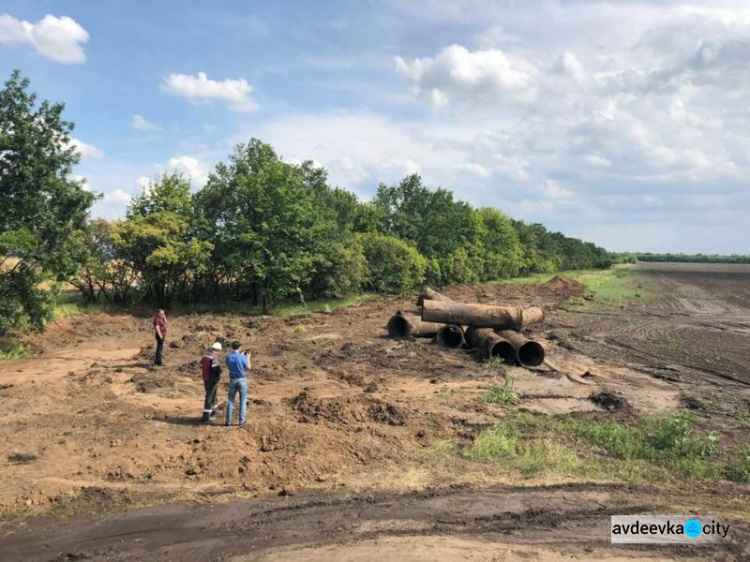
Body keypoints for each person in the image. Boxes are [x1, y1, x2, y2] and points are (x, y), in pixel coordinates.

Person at [225, 340, 251, 426]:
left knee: (230, 400)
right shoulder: (242, 357)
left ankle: (228, 421)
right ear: (240, 347)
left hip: (232, 379)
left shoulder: (228, 357)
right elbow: (249, 367)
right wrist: (247, 358)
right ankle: (241, 421)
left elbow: (230, 364)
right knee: (242, 401)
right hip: (242, 379)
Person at [200, 342, 223, 422]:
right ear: (217, 350)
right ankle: (206, 415)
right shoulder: (214, 357)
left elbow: (201, 365)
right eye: (219, 351)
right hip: (212, 379)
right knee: (210, 396)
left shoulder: (205, 355)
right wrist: (220, 371)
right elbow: (215, 367)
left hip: (206, 378)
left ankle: (214, 410)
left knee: (212, 395)